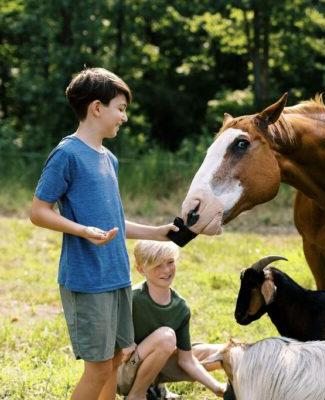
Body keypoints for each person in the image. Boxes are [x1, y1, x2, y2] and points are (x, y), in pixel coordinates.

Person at [30, 67, 179, 400]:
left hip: (117, 277)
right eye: (120, 108)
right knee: (97, 369)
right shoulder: (66, 154)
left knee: (115, 360)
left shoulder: (109, 159)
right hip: (87, 280)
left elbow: (114, 221)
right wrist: (83, 230)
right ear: (97, 108)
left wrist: (158, 233)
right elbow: (38, 212)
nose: (123, 117)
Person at [116, 240, 227, 399]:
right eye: (157, 265)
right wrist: (123, 341)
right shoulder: (132, 299)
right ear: (141, 269)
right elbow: (105, 332)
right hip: (122, 372)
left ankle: (155, 389)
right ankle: (136, 395)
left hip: (155, 370)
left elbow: (187, 361)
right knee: (166, 337)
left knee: (222, 353)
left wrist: (217, 388)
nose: (166, 270)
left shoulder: (180, 307)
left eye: (170, 262)